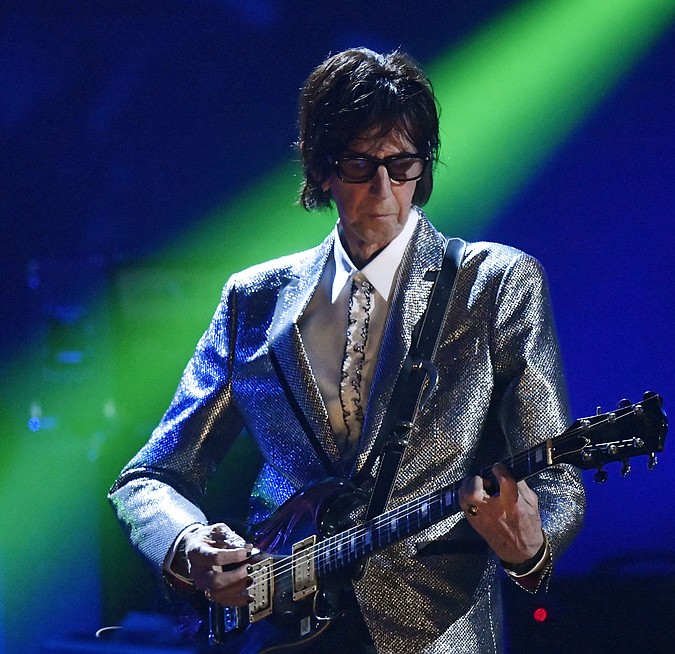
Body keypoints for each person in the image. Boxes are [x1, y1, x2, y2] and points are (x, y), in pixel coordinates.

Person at [109, 47, 585, 653]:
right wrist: (188, 546)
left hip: (438, 637)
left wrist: (531, 546)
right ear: (322, 167)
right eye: (360, 164)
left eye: (404, 163)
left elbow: (559, 478)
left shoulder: (493, 284)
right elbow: (149, 478)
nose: (385, 187)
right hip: (276, 631)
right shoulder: (254, 300)